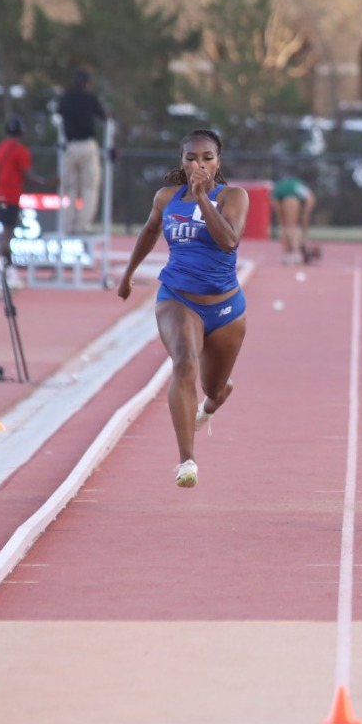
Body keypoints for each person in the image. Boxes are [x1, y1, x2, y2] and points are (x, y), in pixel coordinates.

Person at [117, 129, 250, 489]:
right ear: (182, 161)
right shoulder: (166, 198)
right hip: (178, 297)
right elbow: (148, 231)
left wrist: (202, 199)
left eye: (207, 158)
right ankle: (186, 461)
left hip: (225, 308)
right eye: (192, 158)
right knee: (184, 362)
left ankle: (210, 405)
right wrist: (128, 275)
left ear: (218, 162)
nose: (199, 164)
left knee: (215, 387)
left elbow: (228, 241)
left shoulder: (233, 196)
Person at [56, 69, 107, 235]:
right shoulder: (89, 98)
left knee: (69, 187)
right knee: (89, 187)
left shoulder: (66, 98)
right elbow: (103, 117)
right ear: (87, 83)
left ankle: (68, 225)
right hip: (86, 144)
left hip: (69, 146)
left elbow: (58, 115)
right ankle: (82, 225)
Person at [0, 117, 40, 285]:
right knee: (7, 233)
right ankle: (1, 267)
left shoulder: (0, 147)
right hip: (11, 196)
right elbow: (27, 175)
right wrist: (44, 182)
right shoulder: (21, 150)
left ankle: (5, 267)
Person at [271, 176, 317, 265]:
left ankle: (285, 255)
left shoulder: (302, 189)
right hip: (290, 194)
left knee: (284, 226)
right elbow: (305, 219)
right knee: (293, 226)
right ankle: (296, 255)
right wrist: (304, 239)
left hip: (276, 193)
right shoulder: (310, 199)